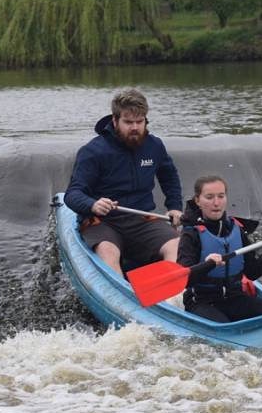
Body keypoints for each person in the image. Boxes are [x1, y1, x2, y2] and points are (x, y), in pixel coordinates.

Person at [64, 88, 182, 275]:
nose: (135, 127)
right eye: (128, 122)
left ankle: (173, 298)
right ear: (115, 120)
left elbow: (169, 177)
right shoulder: (93, 152)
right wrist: (93, 205)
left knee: (177, 245)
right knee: (108, 252)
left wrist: (175, 206)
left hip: (140, 218)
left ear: (145, 120)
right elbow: (72, 195)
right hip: (102, 222)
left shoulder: (154, 146)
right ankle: (124, 299)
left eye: (139, 121)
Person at [177, 175, 262, 322]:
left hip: (235, 297)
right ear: (197, 200)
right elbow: (183, 279)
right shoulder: (191, 234)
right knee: (222, 325)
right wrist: (206, 264)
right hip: (201, 301)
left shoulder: (236, 229)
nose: (216, 203)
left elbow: (252, 272)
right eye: (209, 197)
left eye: (221, 196)